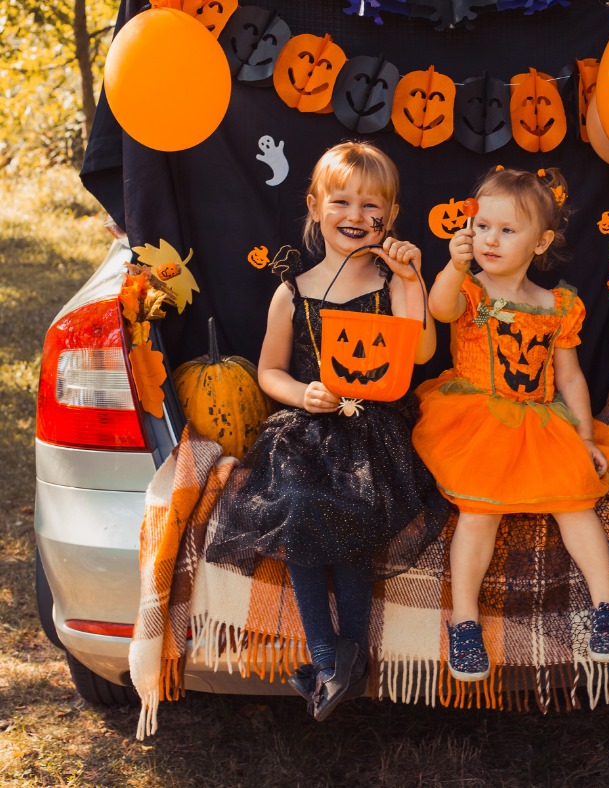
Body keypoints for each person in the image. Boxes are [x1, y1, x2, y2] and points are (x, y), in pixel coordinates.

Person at [205, 141, 451, 719]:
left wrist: (412, 280)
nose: (357, 216)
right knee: (298, 506)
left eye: (373, 207)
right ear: (315, 206)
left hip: (374, 429)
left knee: (355, 520)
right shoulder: (291, 293)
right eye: (341, 201)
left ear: (390, 217)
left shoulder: (393, 285)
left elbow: (421, 350)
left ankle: (336, 665)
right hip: (307, 429)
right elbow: (268, 372)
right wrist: (304, 393)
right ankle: (332, 656)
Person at [412, 166, 609, 682]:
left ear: (541, 241)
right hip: (477, 417)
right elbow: (438, 310)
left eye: (508, 231)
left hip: (540, 420)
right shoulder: (469, 291)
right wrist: (452, 265)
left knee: (575, 502)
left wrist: (582, 436)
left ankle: (607, 608)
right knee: (478, 513)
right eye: (483, 226)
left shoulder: (557, 307)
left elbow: (571, 379)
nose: (491, 239)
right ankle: (465, 622)